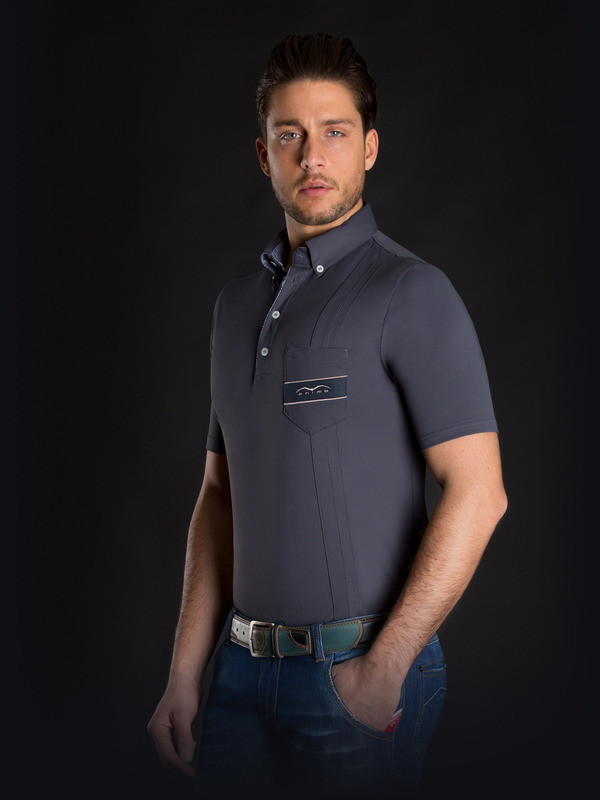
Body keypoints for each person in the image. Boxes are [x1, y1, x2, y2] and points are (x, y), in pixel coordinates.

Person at [147, 32, 507, 798]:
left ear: (369, 148)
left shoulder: (412, 292)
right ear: (264, 154)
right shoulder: (233, 308)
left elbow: (481, 494)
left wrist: (383, 670)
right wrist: (184, 674)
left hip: (352, 675)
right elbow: (218, 498)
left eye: (335, 132)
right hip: (237, 677)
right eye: (291, 135)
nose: (313, 156)